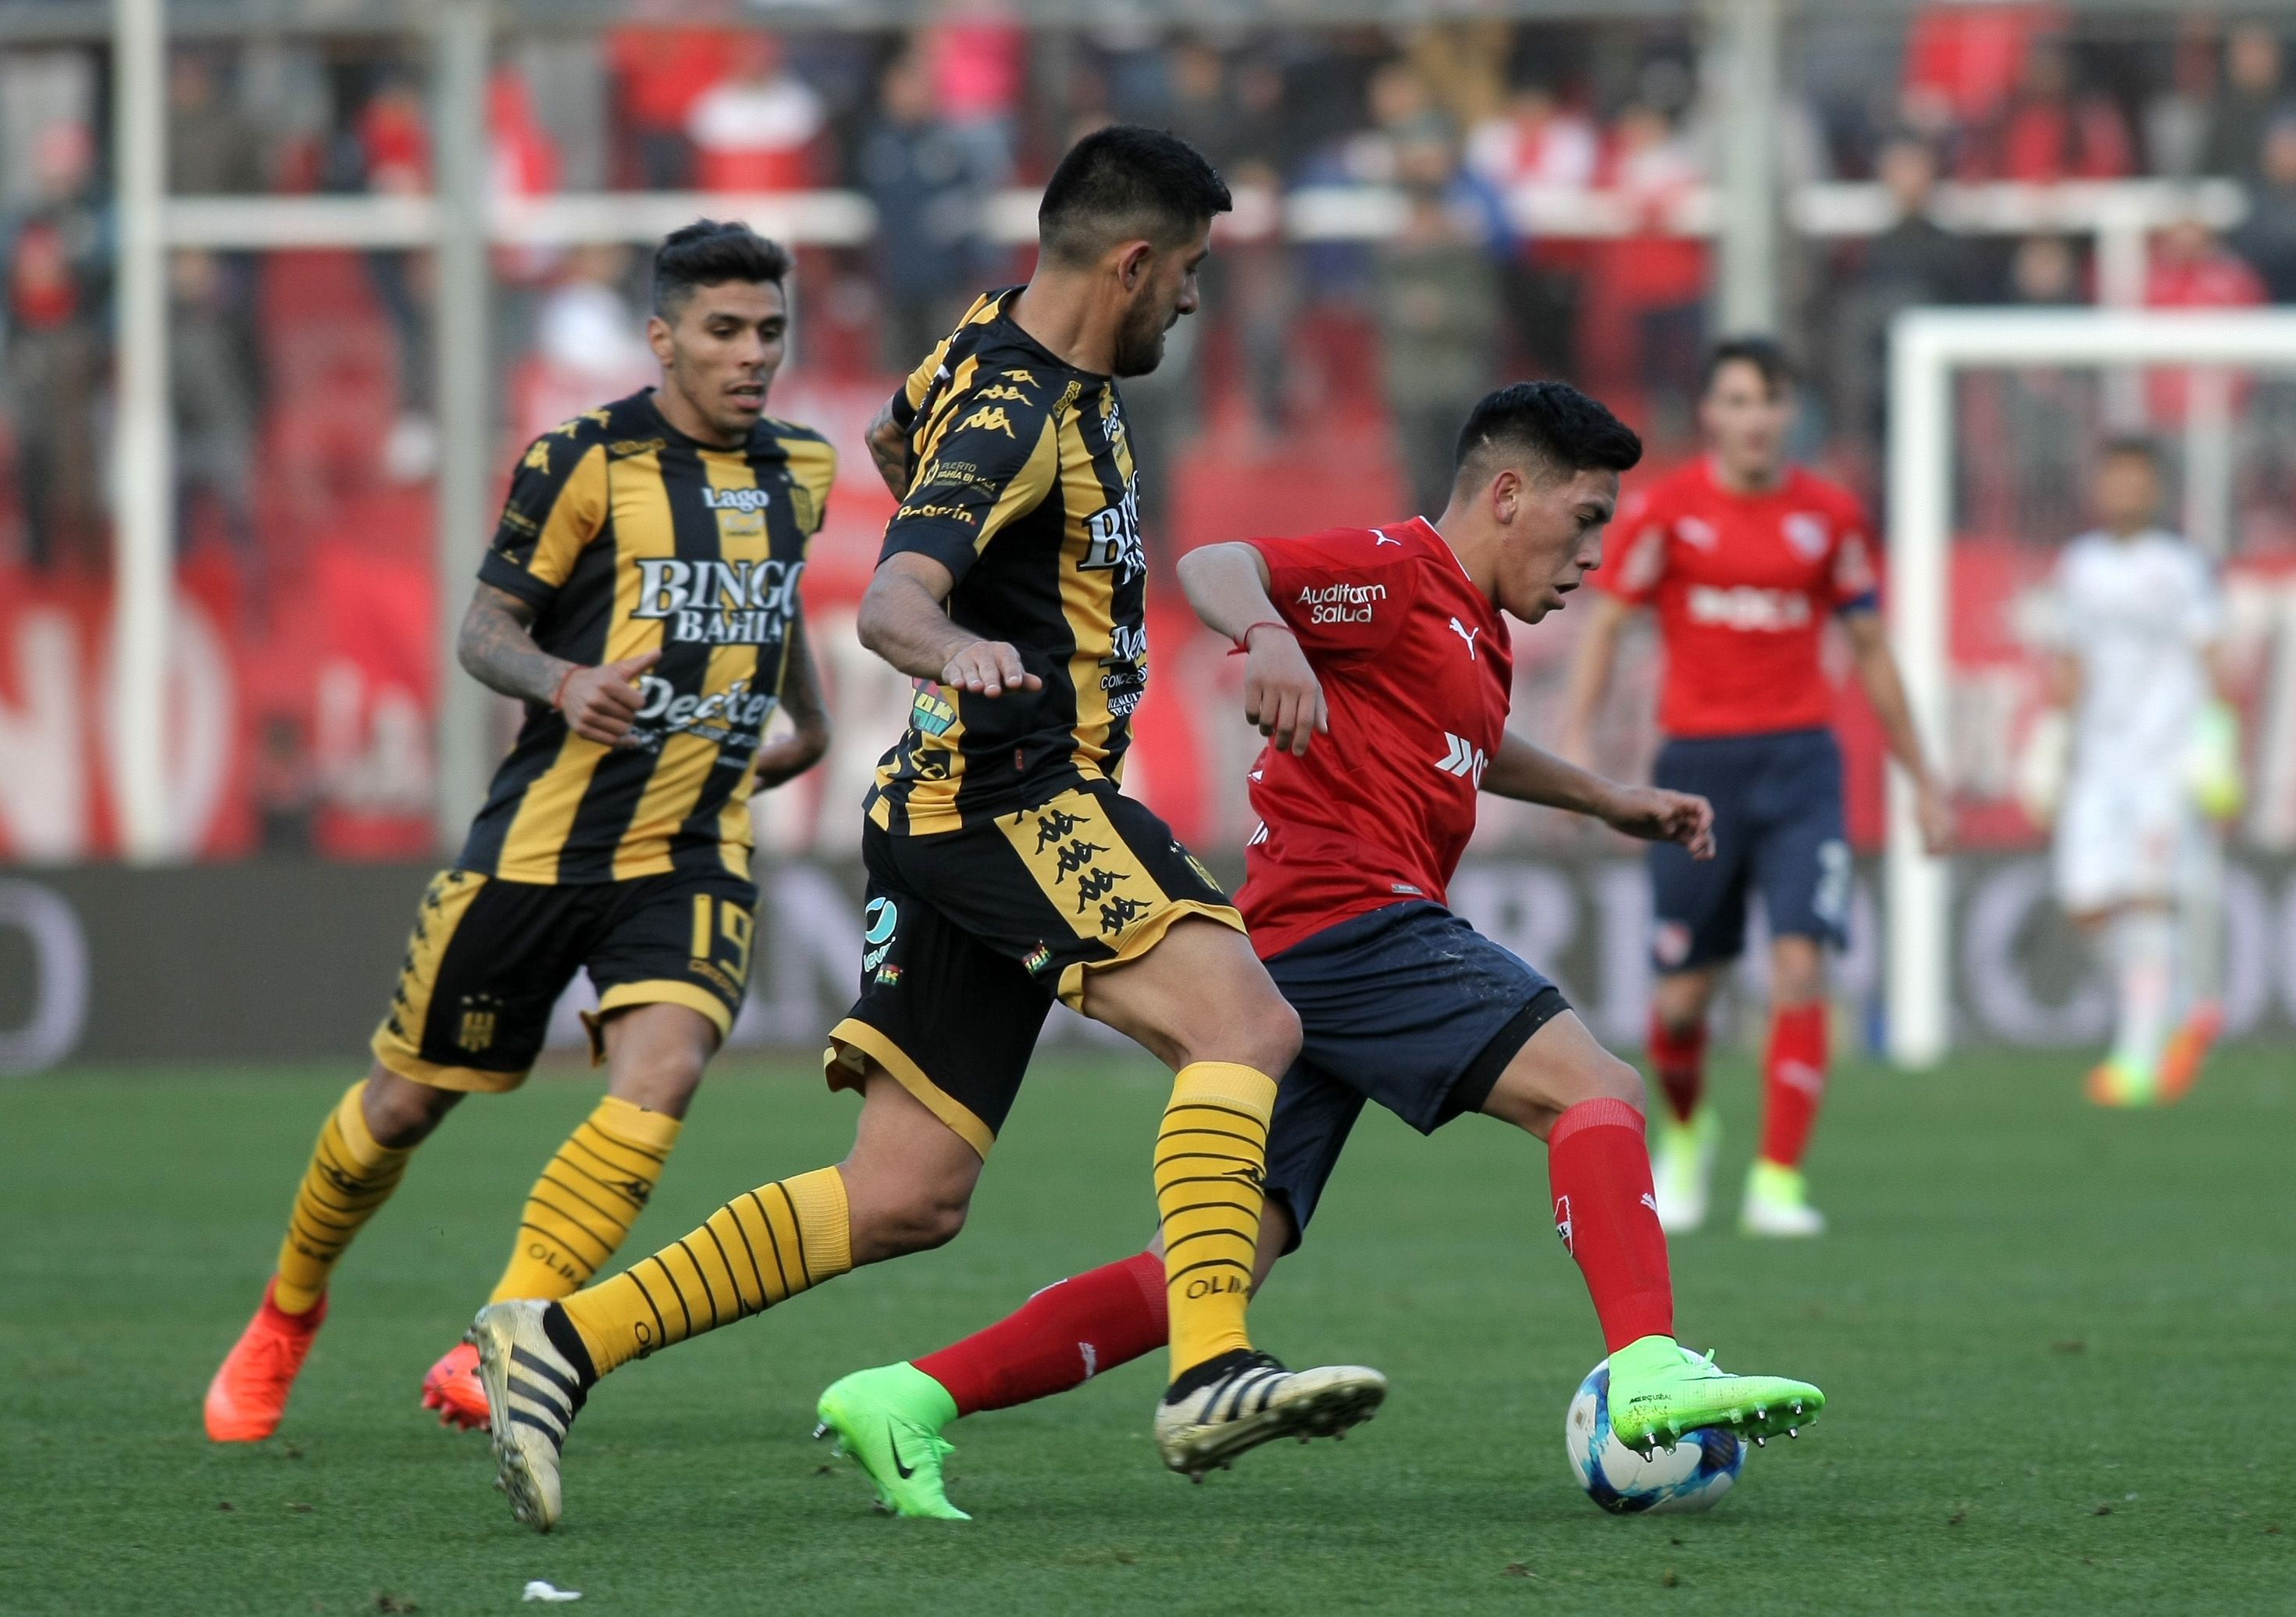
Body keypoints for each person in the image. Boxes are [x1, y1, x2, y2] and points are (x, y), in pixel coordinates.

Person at [463, 127, 1386, 1535]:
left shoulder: (981, 342)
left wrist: (980, 582)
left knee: (904, 1194)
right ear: (1132, 264)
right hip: (1011, 792)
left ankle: (559, 1339)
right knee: (1246, 1024)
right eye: (1190, 269)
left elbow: (898, 438)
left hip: (949, 811)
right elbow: (897, 598)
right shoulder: (1020, 410)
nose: (1195, 299)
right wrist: (958, 645)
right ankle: (1210, 1367)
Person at [807, 381, 1827, 1521]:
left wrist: (1606, 798)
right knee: (1597, 1088)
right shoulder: (1396, 573)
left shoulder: (1472, 629)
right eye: (1585, 519)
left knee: (1200, 1269)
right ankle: (1645, 1366)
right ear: (1507, 494)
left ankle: (905, 1396)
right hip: (1355, 922)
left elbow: (1471, 739)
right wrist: (1272, 635)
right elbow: (1218, 564)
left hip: (1295, 963)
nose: (1595, 553)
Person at [201, 221, 836, 1444]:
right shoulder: (584, 458)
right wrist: (562, 681)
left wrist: (803, 719)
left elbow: (776, 596)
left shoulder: (797, 467)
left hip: (694, 844)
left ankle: (502, 1331)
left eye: (770, 330)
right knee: (401, 1106)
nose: (753, 353)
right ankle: (288, 1309)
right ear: (662, 338)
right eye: (724, 330)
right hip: (543, 844)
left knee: (666, 1068)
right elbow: (484, 629)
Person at [1560, 338, 1952, 1238]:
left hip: (1801, 765)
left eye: (1770, 401)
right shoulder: (1669, 514)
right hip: (1697, 772)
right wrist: (1580, 745)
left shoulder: (1830, 518)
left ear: (1791, 414)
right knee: (1683, 998)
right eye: (1737, 400)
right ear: (1710, 414)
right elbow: (1608, 626)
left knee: (1802, 964)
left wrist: (1923, 779)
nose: (1755, 419)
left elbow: (1871, 651)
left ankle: (1778, 1180)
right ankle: (1688, 1134)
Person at [2027, 440, 2237, 1108]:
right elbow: (2070, 660)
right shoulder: (2079, 567)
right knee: (2087, 904)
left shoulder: (2180, 567)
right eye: (2114, 479)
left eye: (2136, 481)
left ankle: (2137, 1057)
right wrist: (2050, 742)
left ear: (2156, 490)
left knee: (2149, 896)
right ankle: (2182, 1007)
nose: (2125, 492)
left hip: (2163, 762)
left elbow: (2211, 654)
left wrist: (2216, 741)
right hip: (2099, 761)